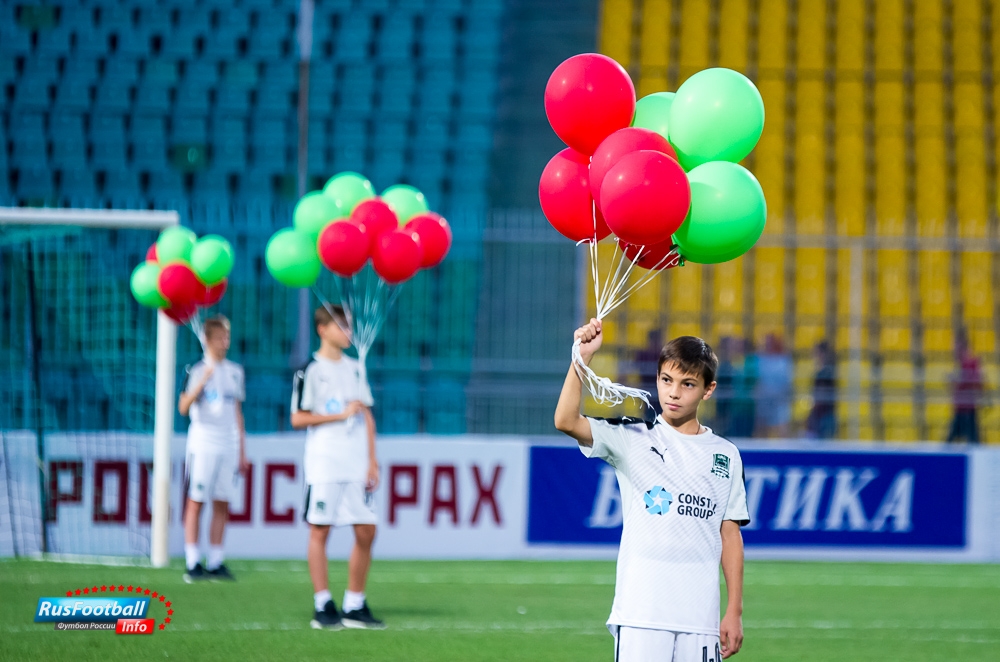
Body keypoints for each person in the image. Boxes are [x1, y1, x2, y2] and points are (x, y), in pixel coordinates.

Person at [555, 320, 748, 661]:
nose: (674, 392)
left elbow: (729, 534)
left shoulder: (726, 454)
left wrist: (734, 610)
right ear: (657, 378)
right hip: (641, 613)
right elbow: (566, 421)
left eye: (688, 384)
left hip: (700, 618)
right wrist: (580, 360)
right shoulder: (633, 437)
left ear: (708, 389)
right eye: (666, 380)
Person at [291, 305, 384, 630]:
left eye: (349, 325)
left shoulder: (356, 367)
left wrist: (372, 460)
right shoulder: (310, 371)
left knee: (367, 530)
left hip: (356, 462)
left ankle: (354, 604)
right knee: (321, 529)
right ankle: (323, 603)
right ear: (322, 329)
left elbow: (367, 415)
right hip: (325, 462)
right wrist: (339, 415)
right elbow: (298, 418)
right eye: (341, 325)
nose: (349, 332)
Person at [178, 315, 247, 583]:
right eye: (219, 338)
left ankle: (216, 561)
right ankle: (192, 560)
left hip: (228, 443)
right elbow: (183, 408)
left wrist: (242, 450)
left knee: (222, 501)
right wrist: (201, 382)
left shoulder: (235, 371)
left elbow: (237, 412)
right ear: (206, 340)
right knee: (196, 500)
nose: (225, 342)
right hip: (203, 442)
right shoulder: (195, 370)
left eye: (227, 337)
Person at [947, 331, 983, 443]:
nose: (954, 350)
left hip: (968, 409)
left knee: (972, 442)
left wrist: (959, 379)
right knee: (952, 442)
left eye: (956, 347)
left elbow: (978, 383)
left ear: (963, 347)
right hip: (960, 408)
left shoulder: (972, 363)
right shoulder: (960, 365)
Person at [754, 334, 792, 437]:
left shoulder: (783, 361)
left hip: (779, 399)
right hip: (764, 399)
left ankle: (785, 445)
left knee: (782, 425)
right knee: (761, 426)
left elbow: (786, 380)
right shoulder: (760, 359)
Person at [806, 340, 837, 439]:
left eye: (817, 352)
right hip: (820, 413)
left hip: (825, 414)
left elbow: (823, 393)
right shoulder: (825, 371)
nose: (815, 356)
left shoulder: (827, 371)